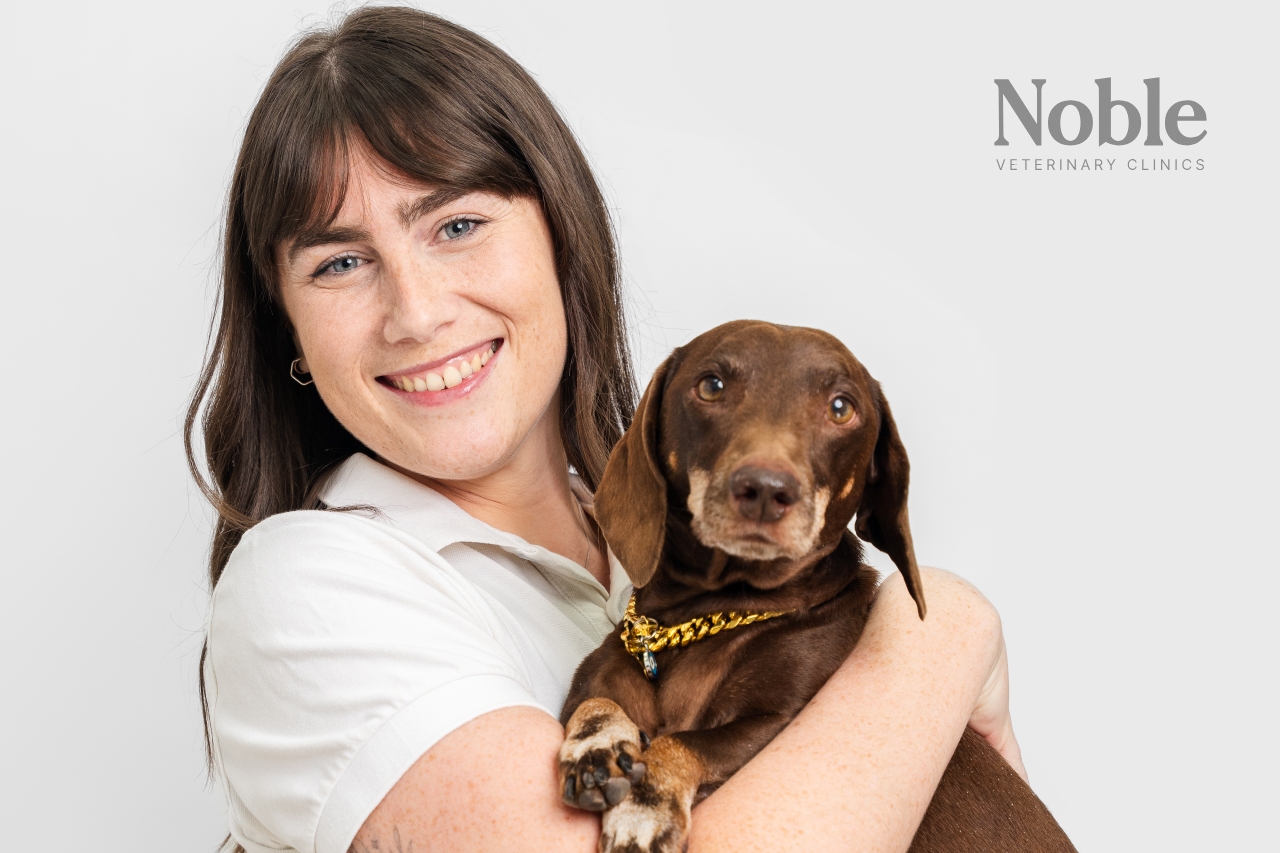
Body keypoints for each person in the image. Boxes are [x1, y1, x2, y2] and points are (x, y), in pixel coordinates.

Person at [188, 8, 1024, 853]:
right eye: (339, 262)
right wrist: (944, 637)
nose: (417, 311)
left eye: (458, 225)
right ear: (288, 328)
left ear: (561, 234)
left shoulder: (676, 559)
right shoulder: (311, 587)